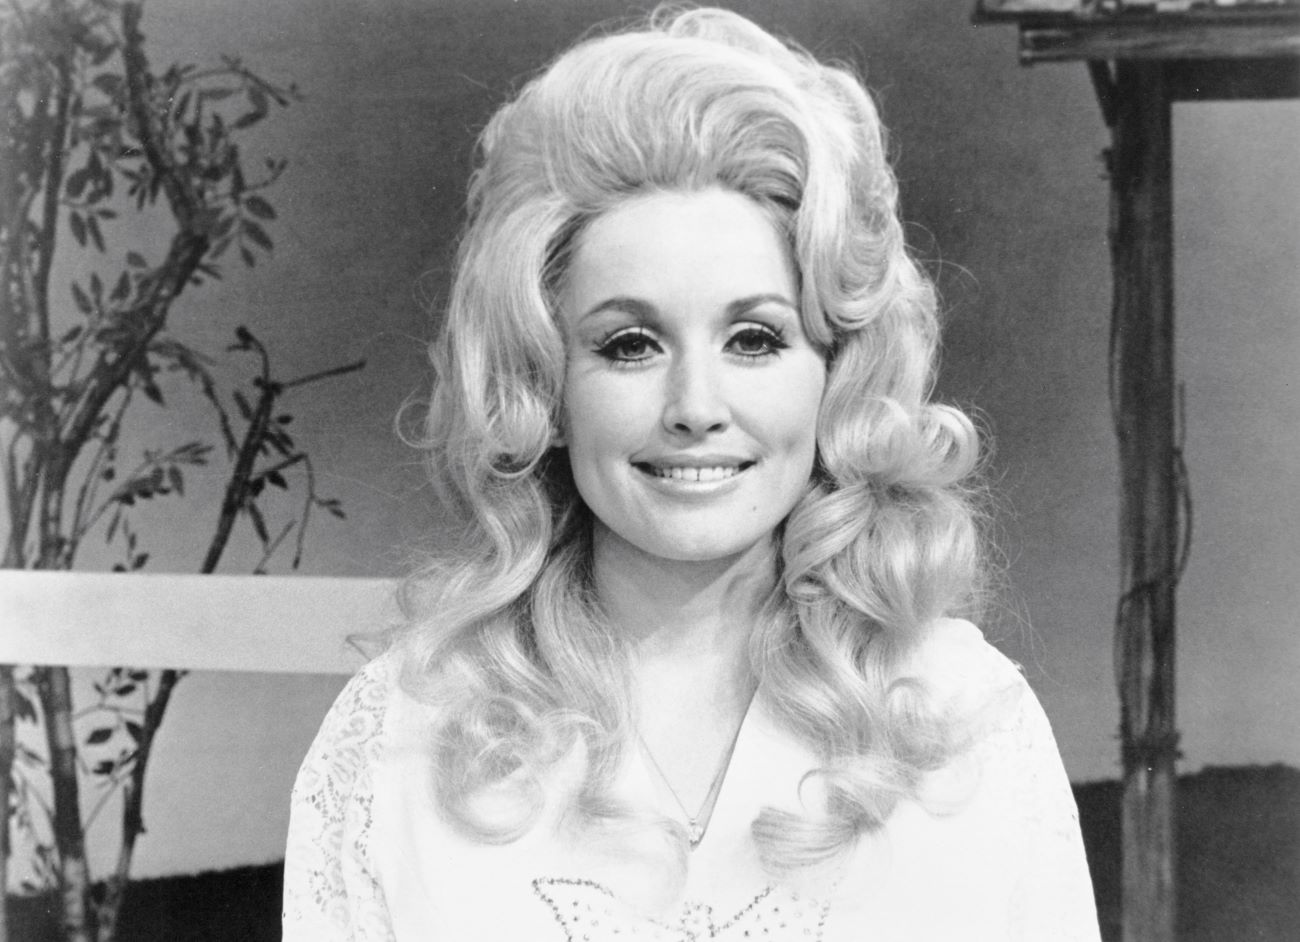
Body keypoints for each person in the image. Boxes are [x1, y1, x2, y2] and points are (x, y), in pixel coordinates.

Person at [283, 7, 1101, 940]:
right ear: (546, 387)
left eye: (754, 338)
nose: (695, 406)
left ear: (835, 374)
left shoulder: (963, 720)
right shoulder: (404, 739)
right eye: (629, 344)